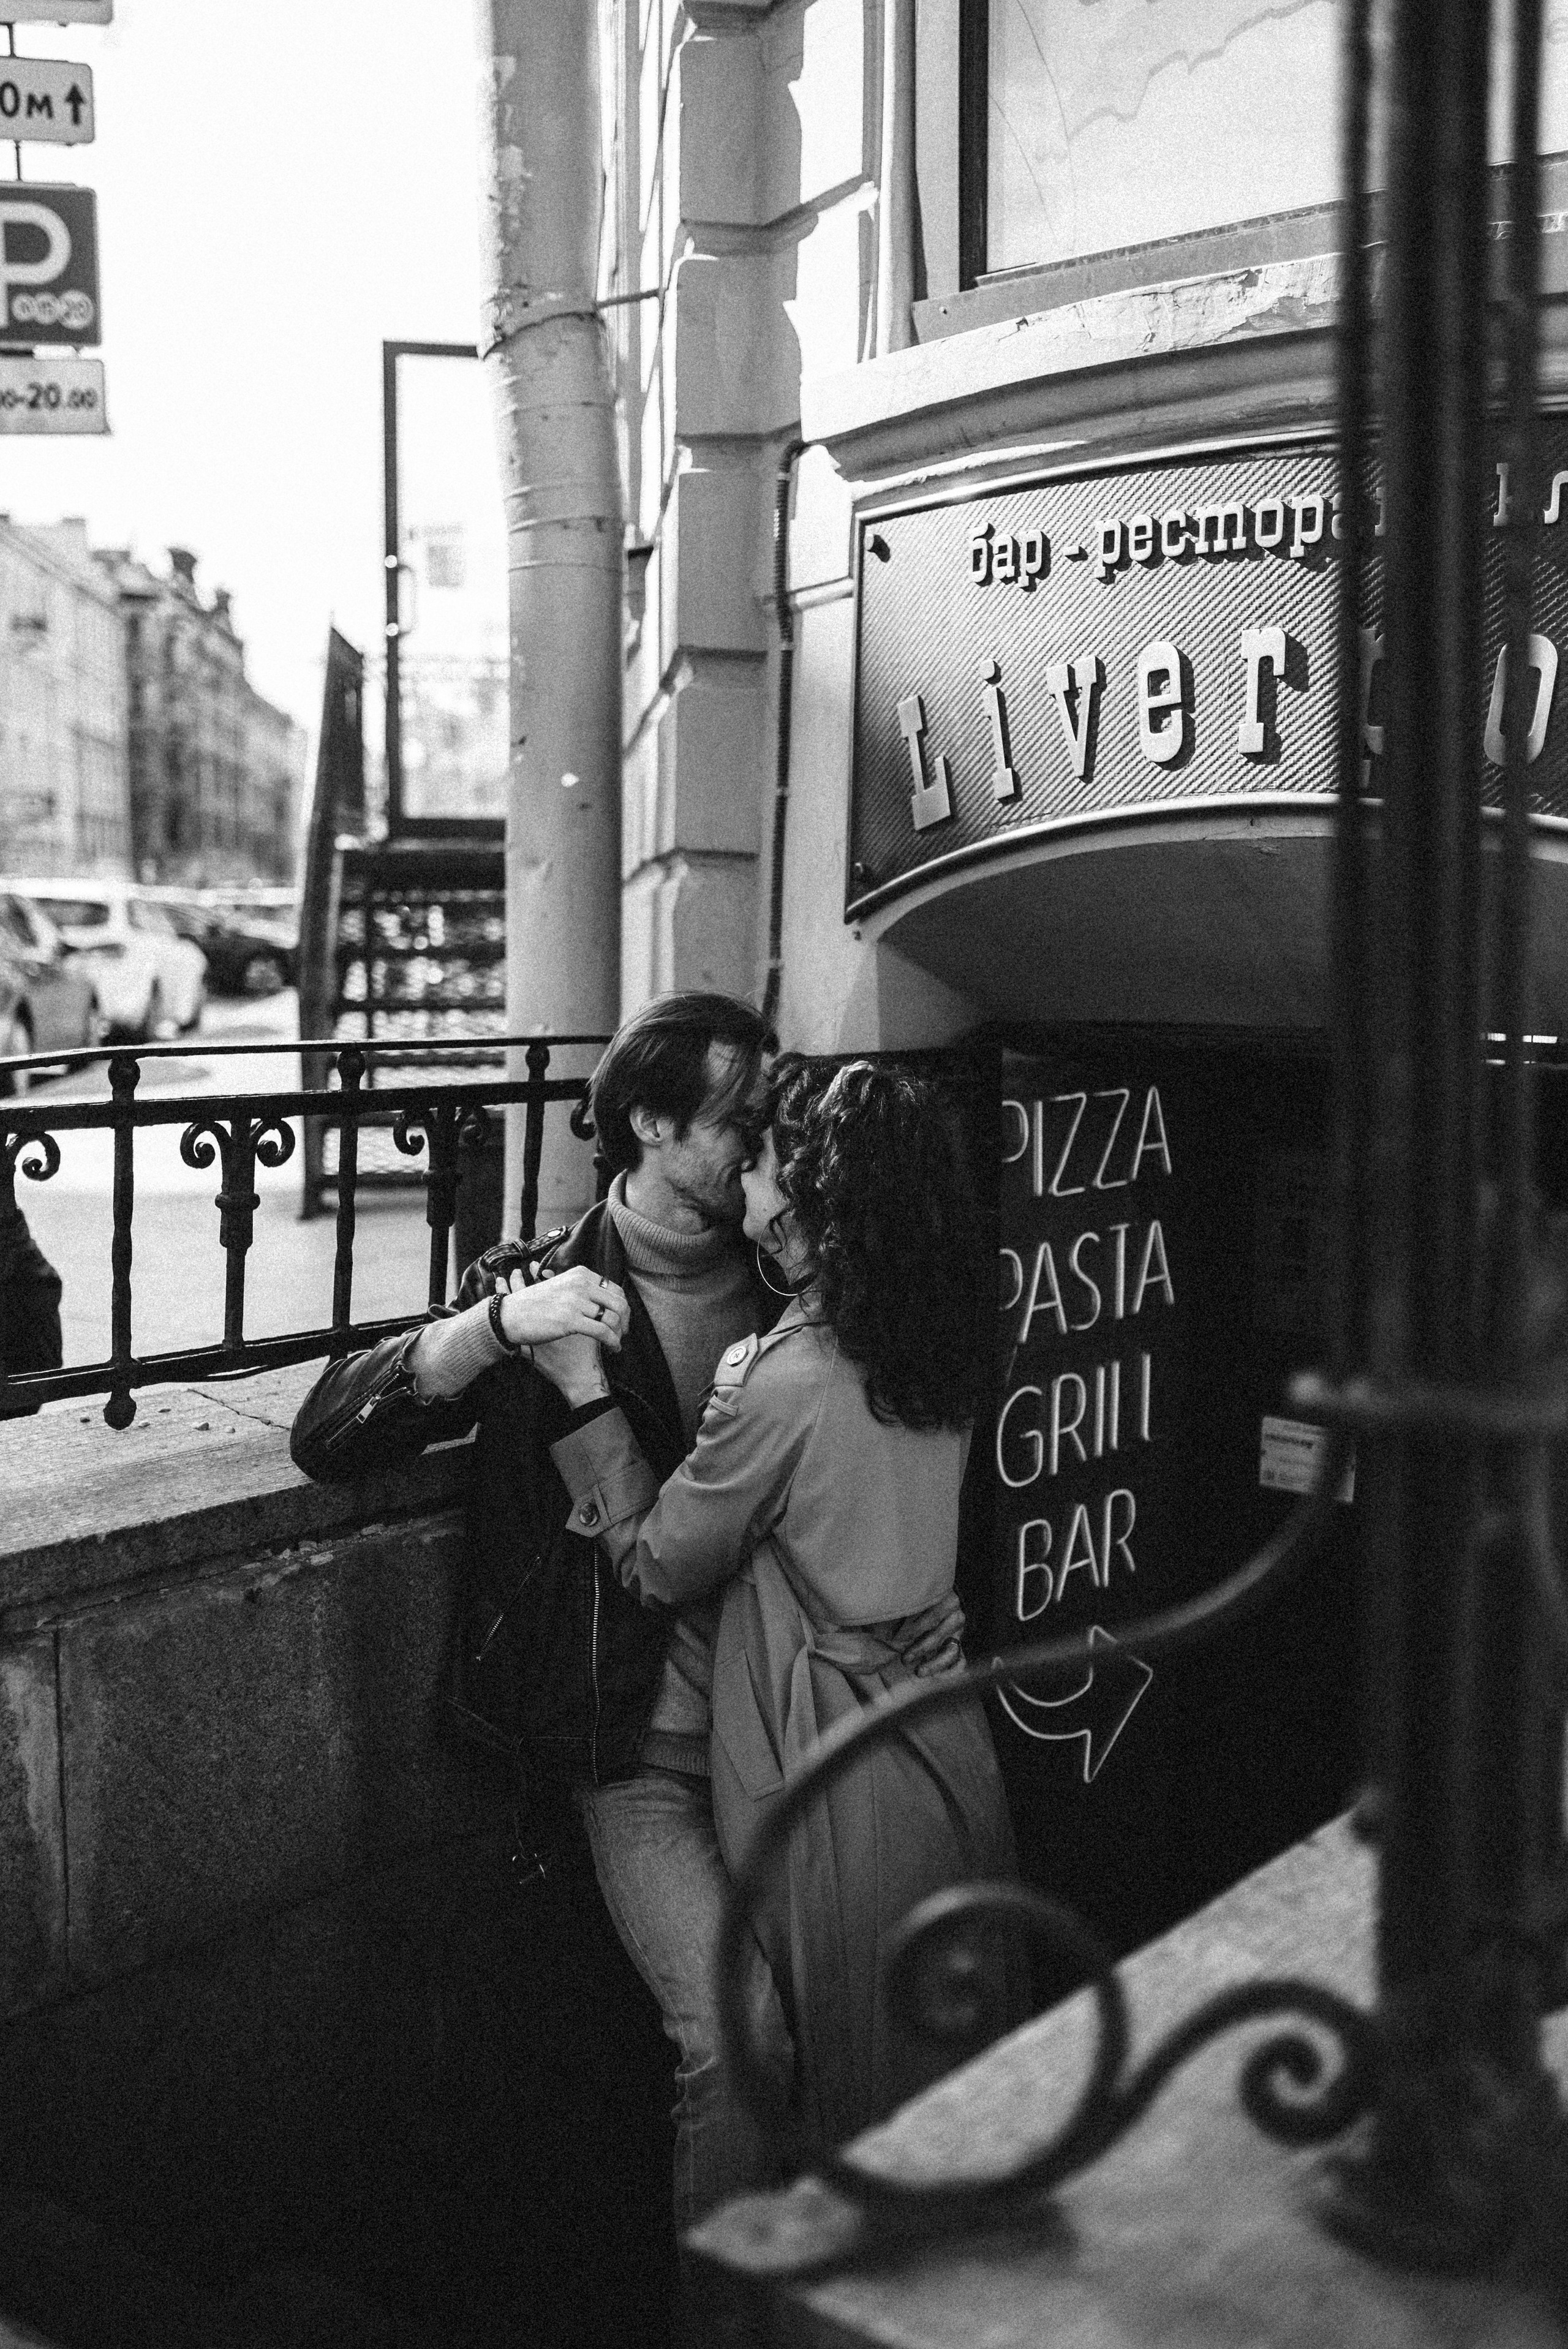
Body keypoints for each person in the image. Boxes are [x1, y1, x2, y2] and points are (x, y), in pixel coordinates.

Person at [289, 997, 963, 2230]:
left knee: (849, 2043)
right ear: (650, 1123)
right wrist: (496, 1325)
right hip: (633, 1744)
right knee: (738, 2035)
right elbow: (328, 1436)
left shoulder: (807, 1281)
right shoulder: (544, 1281)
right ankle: (720, 2306)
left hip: (786, 1737)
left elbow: (865, 1464)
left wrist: (919, 1594)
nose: (768, 1139)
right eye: (742, 1119)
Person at [534, 1057, 1021, 2148]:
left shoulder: (788, 1377)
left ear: (809, 1200)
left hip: (824, 1754)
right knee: (935, 2050)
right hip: (939, 1734)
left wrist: (582, 1395)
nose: (742, 1171)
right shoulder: (936, 1346)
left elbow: (655, 1566)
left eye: (758, 1157)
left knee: (846, 2075)